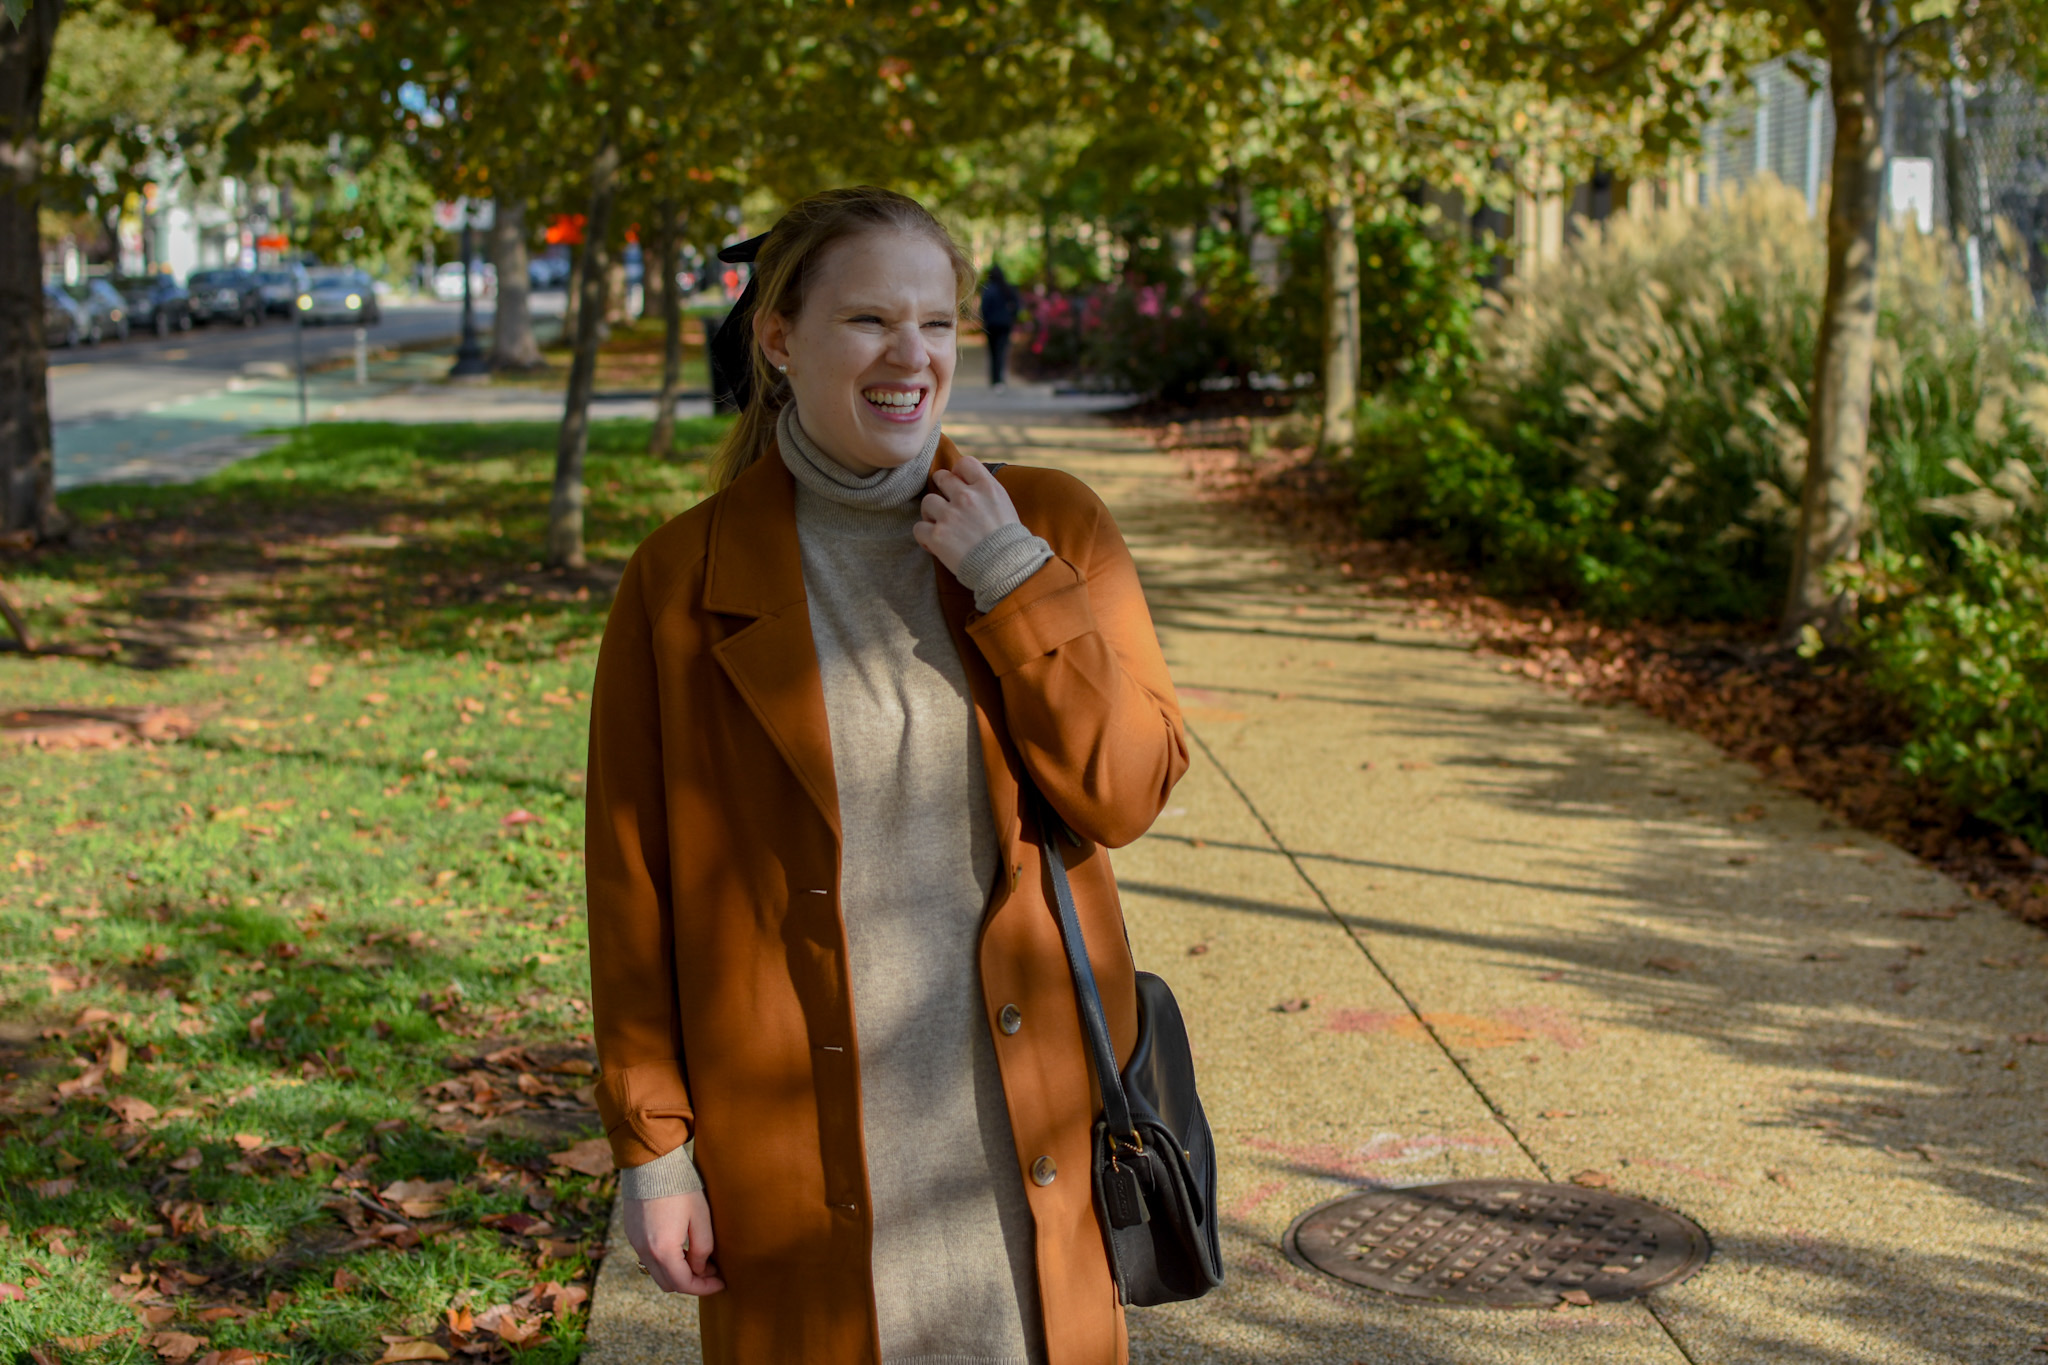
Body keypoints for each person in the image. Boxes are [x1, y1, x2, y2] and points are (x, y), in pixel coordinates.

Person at [586, 185, 1187, 1363]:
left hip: (1034, 1143)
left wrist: (1012, 577)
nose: (910, 356)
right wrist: (655, 1154)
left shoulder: (1049, 526)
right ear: (777, 339)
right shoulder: (677, 583)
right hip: (793, 1157)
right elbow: (633, 887)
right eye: (867, 321)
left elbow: (1125, 792)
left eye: (936, 323)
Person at [979, 261, 1021, 390]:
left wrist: (986, 320)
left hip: (991, 325)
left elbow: (984, 308)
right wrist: (1011, 316)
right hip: (1004, 325)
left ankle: (995, 379)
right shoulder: (1007, 289)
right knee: (1001, 351)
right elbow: (1017, 306)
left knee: (993, 352)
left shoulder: (988, 289)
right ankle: (999, 379)